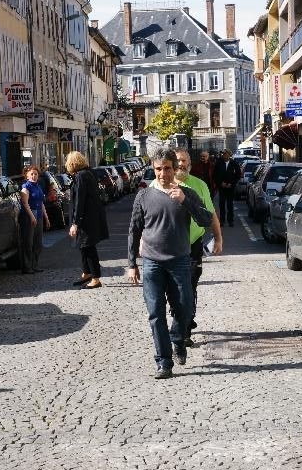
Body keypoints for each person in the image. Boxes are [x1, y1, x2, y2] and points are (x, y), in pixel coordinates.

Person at [128, 147, 212, 379]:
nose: (162, 173)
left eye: (167, 168)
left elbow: (205, 219)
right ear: (153, 169)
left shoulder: (186, 192)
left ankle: (178, 339)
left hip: (180, 261)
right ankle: (164, 362)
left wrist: (185, 201)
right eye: (158, 169)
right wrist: (131, 263)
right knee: (155, 313)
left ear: (175, 169)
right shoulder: (144, 195)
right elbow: (134, 230)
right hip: (152, 263)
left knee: (184, 308)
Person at [173, 148, 223, 345]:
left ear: (190, 165)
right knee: (174, 289)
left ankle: (184, 329)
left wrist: (218, 238)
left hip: (193, 245)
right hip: (170, 248)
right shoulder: (160, 184)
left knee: (190, 285)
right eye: (178, 160)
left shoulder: (199, 185)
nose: (181, 164)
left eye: (184, 161)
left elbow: (210, 215)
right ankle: (181, 318)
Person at [66, 151, 109, 289]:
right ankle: (87, 272)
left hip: (86, 220)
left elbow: (80, 200)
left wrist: (75, 223)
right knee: (83, 246)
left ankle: (95, 278)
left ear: (72, 163)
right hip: (91, 217)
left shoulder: (81, 176)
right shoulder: (87, 174)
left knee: (88, 247)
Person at [19, 165, 50, 274]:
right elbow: (25, 203)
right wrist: (32, 216)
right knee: (28, 242)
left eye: (36, 174)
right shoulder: (25, 187)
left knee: (38, 242)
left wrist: (46, 217)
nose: (34, 176)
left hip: (39, 215)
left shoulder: (38, 186)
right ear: (27, 175)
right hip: (29, 215)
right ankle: (27, 267)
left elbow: (41, 202)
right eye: (31, 174)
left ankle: (34, 265)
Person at [213, 149, 242, 227]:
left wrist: (232, 184)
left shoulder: (234, 163)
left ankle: (230, 220)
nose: (224, 155)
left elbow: (238, 175)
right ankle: (222, 220)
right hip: (222, 187)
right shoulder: (219, 163)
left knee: (230, 204)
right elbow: (215, 175)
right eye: (223, 154)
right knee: (221, 204)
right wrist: (220, 183)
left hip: (230, 187)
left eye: (226, 154)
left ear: (229, 155)